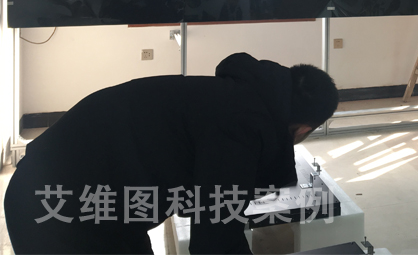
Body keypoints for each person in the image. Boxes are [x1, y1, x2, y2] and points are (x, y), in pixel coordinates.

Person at [4, 53, 339, 254]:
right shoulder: (243, 127)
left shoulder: (235, 99)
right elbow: (215, 242)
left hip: (88, 201)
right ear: (302, 129)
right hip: (56, 212)